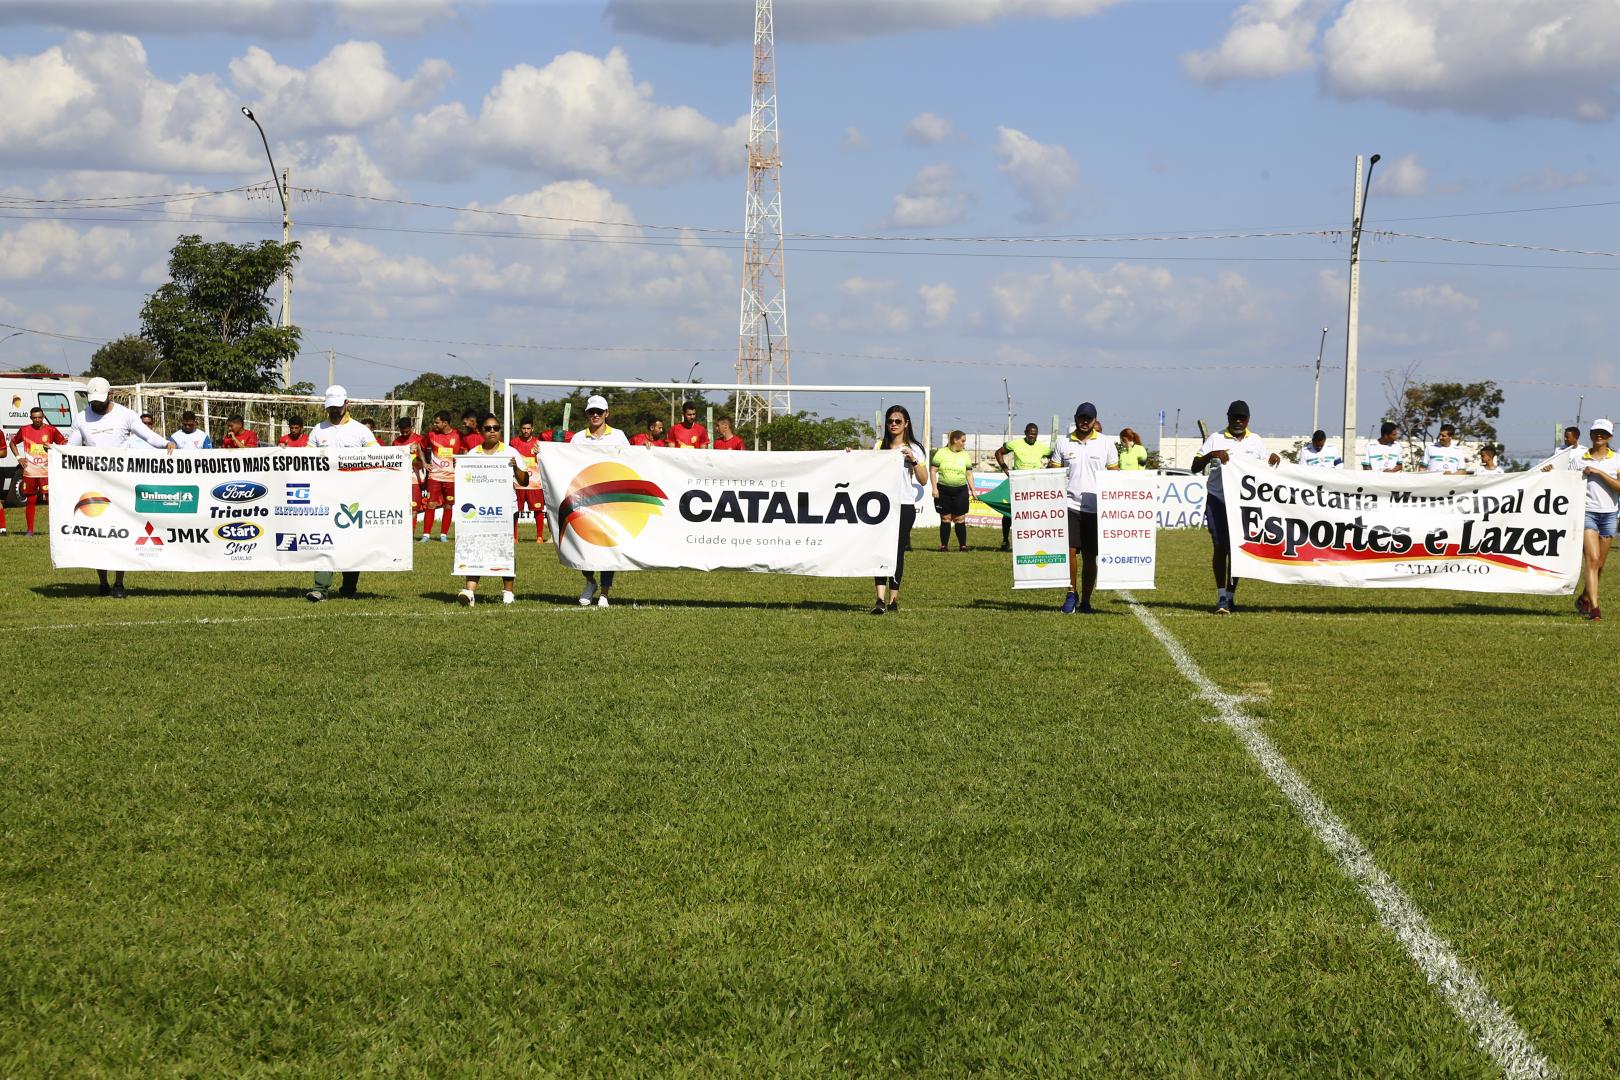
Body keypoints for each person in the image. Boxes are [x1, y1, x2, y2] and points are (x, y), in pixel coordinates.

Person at [67, 377, 176, 597]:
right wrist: (55, 451)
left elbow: (147, 436)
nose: (96, 404)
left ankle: (119, 583)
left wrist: (166, 443)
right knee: (98, 534)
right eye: (93, 401)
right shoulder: (81, 418)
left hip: (121, 485)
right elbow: (72, 448)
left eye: (100, 400)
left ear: (110, 395)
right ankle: (102, 582)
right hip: (95, 484)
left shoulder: (125, 414)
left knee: (120, 533)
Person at [1191, 399, 1280, 615]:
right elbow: (1195, 467)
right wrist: (1213, 454)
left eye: (1242, 418)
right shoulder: (1215, 438)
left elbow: (1266, 469)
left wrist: (1274, 460)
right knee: (1220, 546)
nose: (1238, 421)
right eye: (1234, 417)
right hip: (1218, 500)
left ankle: (1230, 596)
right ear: (1228, 418)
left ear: (1248, 419)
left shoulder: (1256, 441)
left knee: (1237, 550)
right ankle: (1221, 594)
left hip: (1243, 504)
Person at [304, 386, 379, 602]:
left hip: (354, 496)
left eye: (337, 406)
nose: (334, 411)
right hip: (324, 495)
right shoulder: (318, 429)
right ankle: (321, 588)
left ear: (347, 404)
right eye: (331, 407)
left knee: (351, 542)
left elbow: (376, 457)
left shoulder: (361, 430)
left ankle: (349, 586)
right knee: (323, 541)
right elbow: (306, 460)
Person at [1050, 402, 1115, 614]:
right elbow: (1053, 473)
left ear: (1095, 420)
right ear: (1076, 417)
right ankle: (1071, 593)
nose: (1084, 422)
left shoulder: (1106, 444)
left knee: (1089, 556)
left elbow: (1115, 475)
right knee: (1069, 552)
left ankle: (1086, 599)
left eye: (1089, 418)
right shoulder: (1063, 442)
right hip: (1069, 505)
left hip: (1096, 508)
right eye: (1081, 418)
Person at [457, 414, 529, 606]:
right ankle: (470, 592)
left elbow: (525, 481)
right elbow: (466, 482)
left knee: (505, 548)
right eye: (488, 428)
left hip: (505, 510)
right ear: (481, 430)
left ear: (500, 430)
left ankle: (508, 592)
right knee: (475, 547)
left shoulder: (511, 452)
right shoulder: (472, 454)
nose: (492, 431)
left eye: (496, 428)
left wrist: (515, 468)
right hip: (479, 510)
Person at [574, 395, 630, 607]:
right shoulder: (578, 438)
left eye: (599, 411)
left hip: (611, 499)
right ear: (587, 414)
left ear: (607, 413)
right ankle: (590, 581)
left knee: (608, 546)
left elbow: (631, 460)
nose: (595, 415)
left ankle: (604, 594)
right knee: (582, 544)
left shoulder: (619, 436)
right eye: (591, 412)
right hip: (585, 499)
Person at [872, 405, 927, 615]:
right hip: (880, 506)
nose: (893, 425)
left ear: (906, 423)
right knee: (879, 550)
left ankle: (893, 599)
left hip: (904, 505)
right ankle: (879, 599)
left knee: (897, 552)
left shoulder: (915, 447)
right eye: (890, 421)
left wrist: (912, 459)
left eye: (897, 421)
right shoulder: (879, 446)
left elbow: (922, 481)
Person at [1573, 420, 1620, 621]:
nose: (1599, 435)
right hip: (1587, 513)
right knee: (1591, 560)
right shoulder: (1578, 459)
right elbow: (1565, 481)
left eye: (1603, 433)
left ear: (1609, 437)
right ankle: (1595, 608)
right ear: (1591, 435)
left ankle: (1584, 597)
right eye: (1595, 432)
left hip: (1609, 515)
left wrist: (1599, 472)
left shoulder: (1616, 460)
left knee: (1600, 564)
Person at [10, 405, 67, 536]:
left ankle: (54, 530)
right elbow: (12, 443)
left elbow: (64, 443)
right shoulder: (24, 430)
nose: (37, 420)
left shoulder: (51, 430)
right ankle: (30, 530)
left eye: (40, 417)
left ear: (43, 418)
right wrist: (19, 458)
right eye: (35, 418)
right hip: (30, 472)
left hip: (47, 471)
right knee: (31, 500)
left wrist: (52, 446)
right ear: (31, 418)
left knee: (50, 500)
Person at [995, 422, 1052, 550]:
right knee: (1009, 512)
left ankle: (1030, 541)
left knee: (1032, 514)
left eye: (1035, 434)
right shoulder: (1015, 443)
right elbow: (998, 453)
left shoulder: (1042, 447)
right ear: (1025, 432)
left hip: (1034, 484)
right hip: (1017, 483)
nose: (1033, 436)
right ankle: (1005, 540)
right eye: (1031, 433)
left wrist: (1046, 469)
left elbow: (1054, 457)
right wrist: (1006, 469)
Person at [930, 429, 975, 552]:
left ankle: (963, 546)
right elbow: (933, 471)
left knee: (960, 519)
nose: (964, 443)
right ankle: (944, 546)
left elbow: (969, 474)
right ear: (955, 440)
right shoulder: (941, 453)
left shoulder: (965, 455)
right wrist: (934, 488)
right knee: (945, 518)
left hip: (960, 491)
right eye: (963, 441)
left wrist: (973, 490)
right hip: (943, 490)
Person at [423, 410, 460, 542]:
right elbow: (419, 447)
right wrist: (424, 462)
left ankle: (443, 535)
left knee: (448, 505)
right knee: (430, 504)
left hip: (451, 477)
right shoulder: (431, 435)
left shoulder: (457, 435)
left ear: (445, 423)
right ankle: (426, 535)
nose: (435, 424)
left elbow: (466, 449)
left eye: (437, 422)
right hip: (434, 476)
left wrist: (461, 460)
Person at [509, 417, 545, 543]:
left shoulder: (538, 443)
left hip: (535, 483)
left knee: (538, 510)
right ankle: (514, 537)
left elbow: (544, 460)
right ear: (520, 429)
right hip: (518, 482)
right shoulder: (513, 443)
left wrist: (541, 453)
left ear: (532, 429)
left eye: (528, 428)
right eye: (523, 428)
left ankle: (539, 536)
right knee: (515, 510)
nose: (526, 431)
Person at [391, 416, 427, 537]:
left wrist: (415, 460)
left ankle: (410, 535)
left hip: (415, 479)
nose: (405, 433)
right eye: (402, 431)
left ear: (411, 428)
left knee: (414, 509)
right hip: (400, 480)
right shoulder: (396, 442)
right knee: (401, 508)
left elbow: (424, 462)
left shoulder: (419, 440)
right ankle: (399, 534)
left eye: (407, 430)